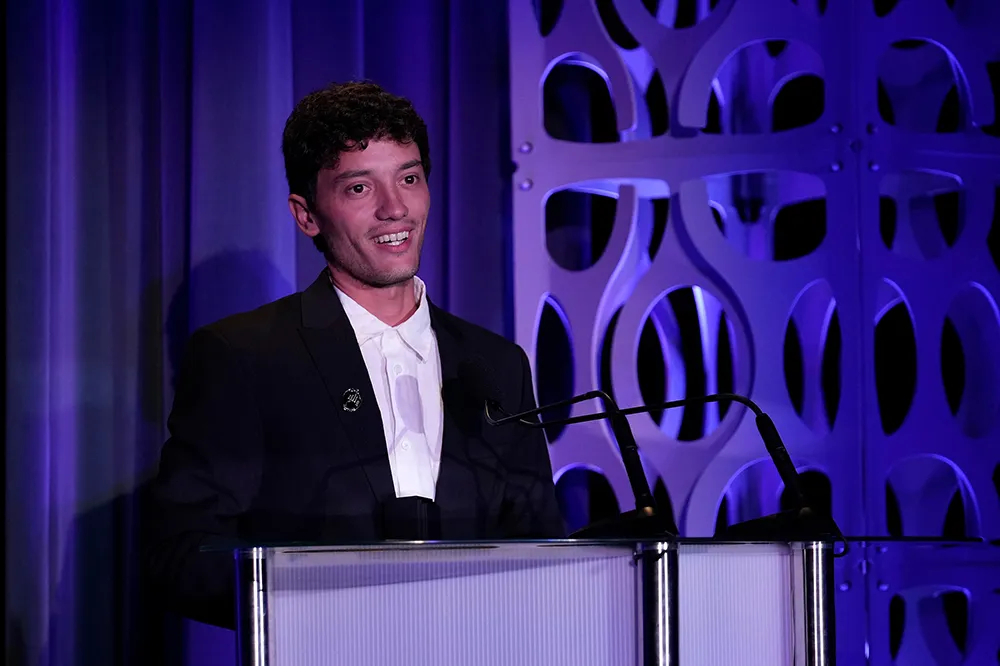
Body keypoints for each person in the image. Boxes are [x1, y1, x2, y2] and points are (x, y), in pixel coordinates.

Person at [144, 81, 565, 629]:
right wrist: (335, 603)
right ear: (306, 214)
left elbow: (539, 548)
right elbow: (181, 553)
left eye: (410, 179)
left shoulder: (495, 364)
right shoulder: (244, 357)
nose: (396, 209)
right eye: (360, 188)